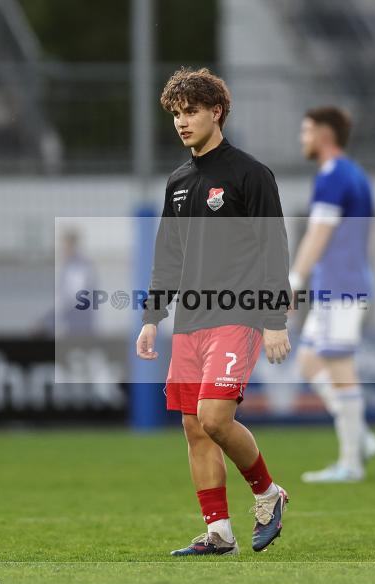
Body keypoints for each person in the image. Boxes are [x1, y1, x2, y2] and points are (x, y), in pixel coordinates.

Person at [136, 67, 292, 556]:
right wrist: (152, 316)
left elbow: (274, 247)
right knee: (192, 426)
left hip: (238, 314)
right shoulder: (179, 181)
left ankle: (268, 494)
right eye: (177, 114)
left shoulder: (250, 173)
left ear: (216, 112)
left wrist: (273, 320)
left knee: (215, 418)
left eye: (192, 112)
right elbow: (169, 254)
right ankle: (219, 532)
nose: (182, 122)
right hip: (191, 322)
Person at [289, 106, 375, 483]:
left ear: (325, 135)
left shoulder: (333, 176)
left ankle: (351, 463)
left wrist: (294, 279)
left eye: (306, 130)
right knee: (309, 362)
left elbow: (319, 233)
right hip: (342, 284)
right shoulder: (353, 173)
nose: (302, 138)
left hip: (341, 287)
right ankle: (360, 437)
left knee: (341, 369)